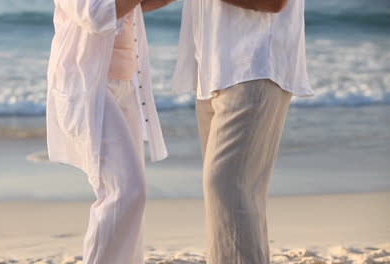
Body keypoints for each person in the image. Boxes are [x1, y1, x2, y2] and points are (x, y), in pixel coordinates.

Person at [172, 0, 314, 263]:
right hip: (213, 70)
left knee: (226, 189)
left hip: (254, 64)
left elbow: (275, 3)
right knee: (237, 199)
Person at [46, 0, 172, 263]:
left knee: (130, 199)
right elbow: (93, 14)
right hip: (86, 87)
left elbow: (138, 5)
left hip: (126, 85)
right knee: (125, 191)